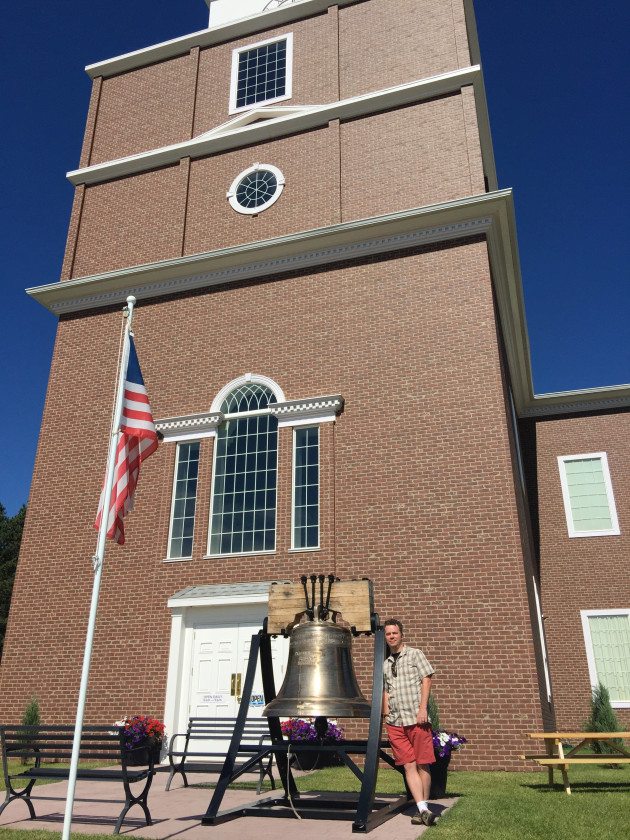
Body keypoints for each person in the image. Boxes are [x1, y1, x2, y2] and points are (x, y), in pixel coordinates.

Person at [382, 618, 436, 827]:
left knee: (423, 764)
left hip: (417, 718)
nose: (392, 636)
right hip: (396, 722)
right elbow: (386, 690)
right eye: (388, 634)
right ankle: (422, 809)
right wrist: (386, 714)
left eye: (395, 633)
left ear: (401, 634)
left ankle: (424, 807)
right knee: (408, 766)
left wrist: (423, 708)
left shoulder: (415, 654)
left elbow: (427, 678)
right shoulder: (386, 664)